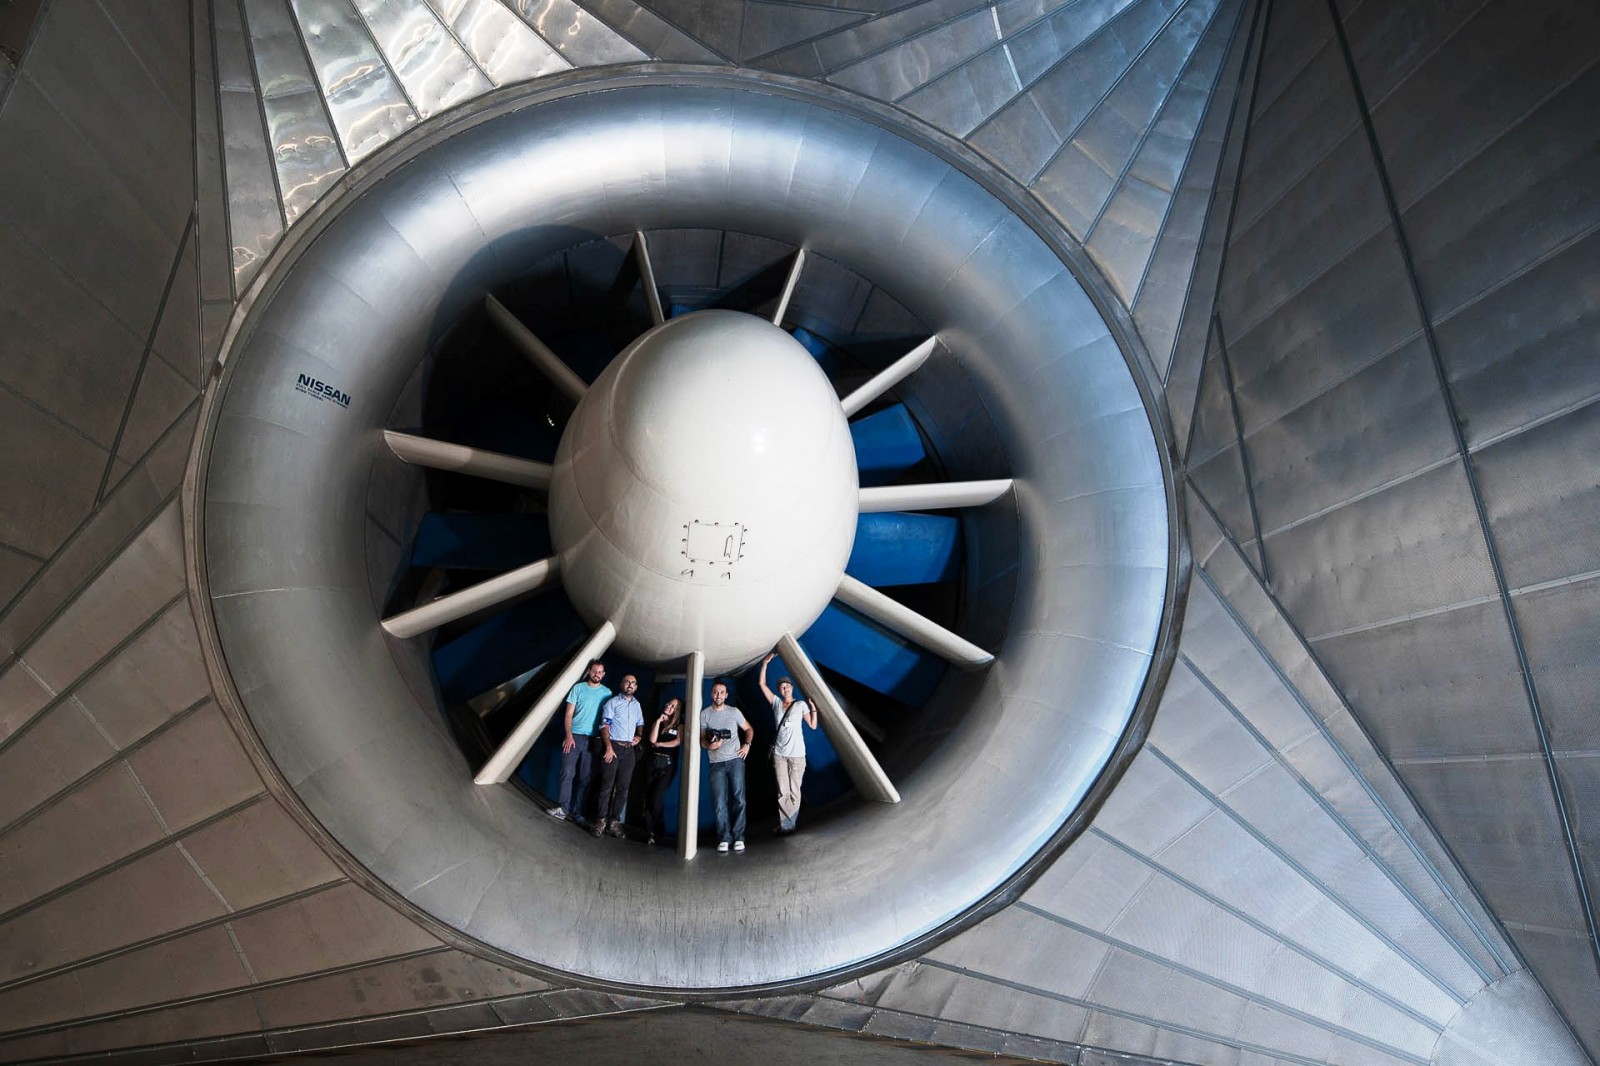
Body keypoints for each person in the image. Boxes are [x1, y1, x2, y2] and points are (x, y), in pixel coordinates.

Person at [759, 653, 818, 834]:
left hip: (797, 755)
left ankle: (788, 823)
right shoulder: (776, 703)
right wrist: (765, 663)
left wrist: (813, 707)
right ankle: (787, 826)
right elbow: (761, 685)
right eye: (781, 687)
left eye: (786, 686)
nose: (784, 689)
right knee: (782, 791)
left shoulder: (800, 705)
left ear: (791, 688)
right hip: (780, 754)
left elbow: (813, 725)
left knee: (794, 791)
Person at [552, 659, 610, 825]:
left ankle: (577, 813)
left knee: (585, 778)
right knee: (567, 772)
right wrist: (568, 735)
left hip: (594, 741)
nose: (596, 674)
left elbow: (609, 721)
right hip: (574, 737)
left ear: (603, 675)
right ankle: (563, 809)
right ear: (589, 671)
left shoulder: (607, 693)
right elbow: (568, 714)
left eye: (600, 672)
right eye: (594, 671)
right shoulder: (578, 688)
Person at [700, 681, 753, 853]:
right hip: (716, 763)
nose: (718, 695)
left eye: (722, 692)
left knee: (739, 799)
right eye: (715, 692)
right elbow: (701, 739)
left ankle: (739, 837)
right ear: (711, 694)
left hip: (735, 761)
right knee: (719, 802)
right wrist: (710, 746)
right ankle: (724, 838)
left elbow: (749, 729)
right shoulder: (705, 714)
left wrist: (747, 745)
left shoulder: (734, 712)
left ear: (726, 695)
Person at [592, 674, 645, 838]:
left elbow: (640, 723)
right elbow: (604, 726)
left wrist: (639, 736)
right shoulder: (612, 703)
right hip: (613, 746)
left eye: (634, 683)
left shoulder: (637, 705)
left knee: (623, 789)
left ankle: (613, 822)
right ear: (622, 684)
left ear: (636, 687)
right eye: (627, 682)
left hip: (629, 751)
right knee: (607, 786)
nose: (630, 685)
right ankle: (600, 821)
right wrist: (608, 748)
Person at [643, 697, 683, 845]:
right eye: (668, 703)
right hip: (652, 762)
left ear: (677, 710)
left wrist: (661, 743)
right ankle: (650, 833)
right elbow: (652, 740)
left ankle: (659, 822)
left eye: (673, 706)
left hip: (667, 764)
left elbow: (677, 741)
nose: (669, 706)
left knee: (657, 796)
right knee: (648, 796)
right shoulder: (658, 721)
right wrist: (659, 721)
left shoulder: (679, 725)